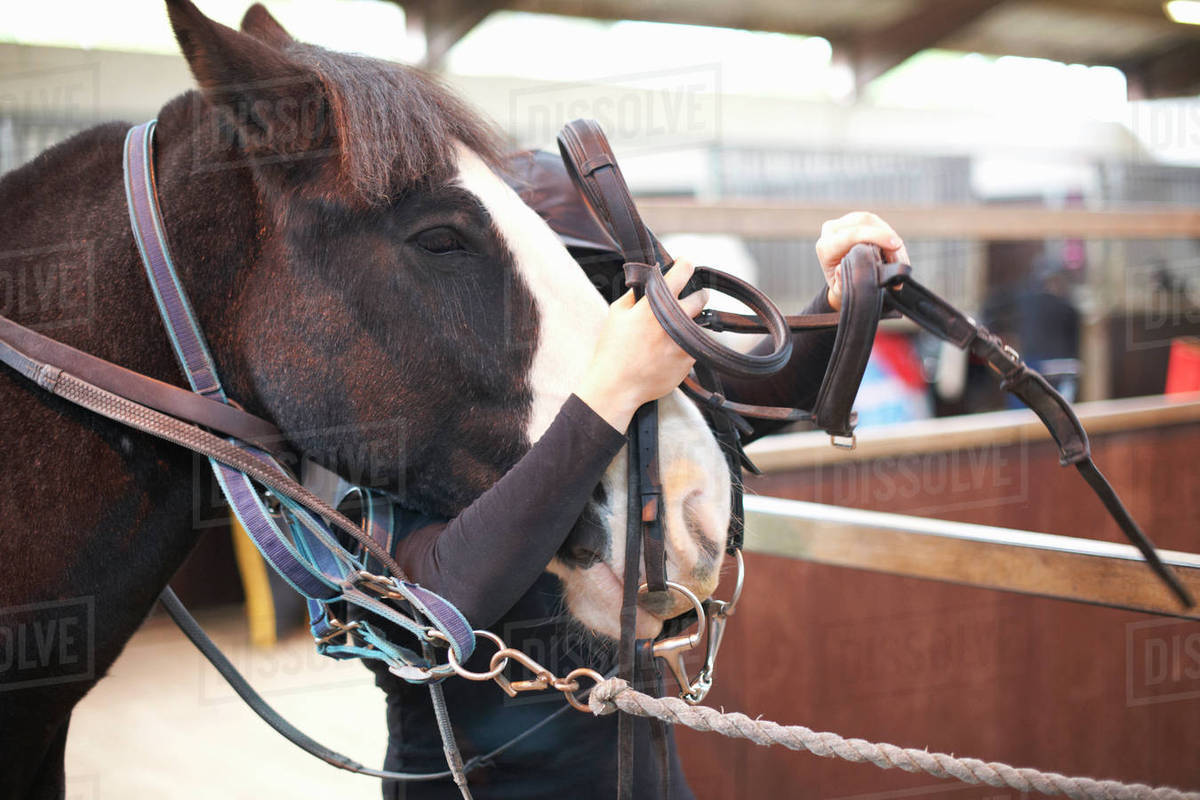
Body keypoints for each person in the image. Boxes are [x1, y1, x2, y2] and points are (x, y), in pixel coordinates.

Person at [359, 195, 909, 799]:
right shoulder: (383, 428)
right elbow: (444, 595)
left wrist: (843, 301)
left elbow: (738, 412)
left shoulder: (596, 398)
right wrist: (611, 388)